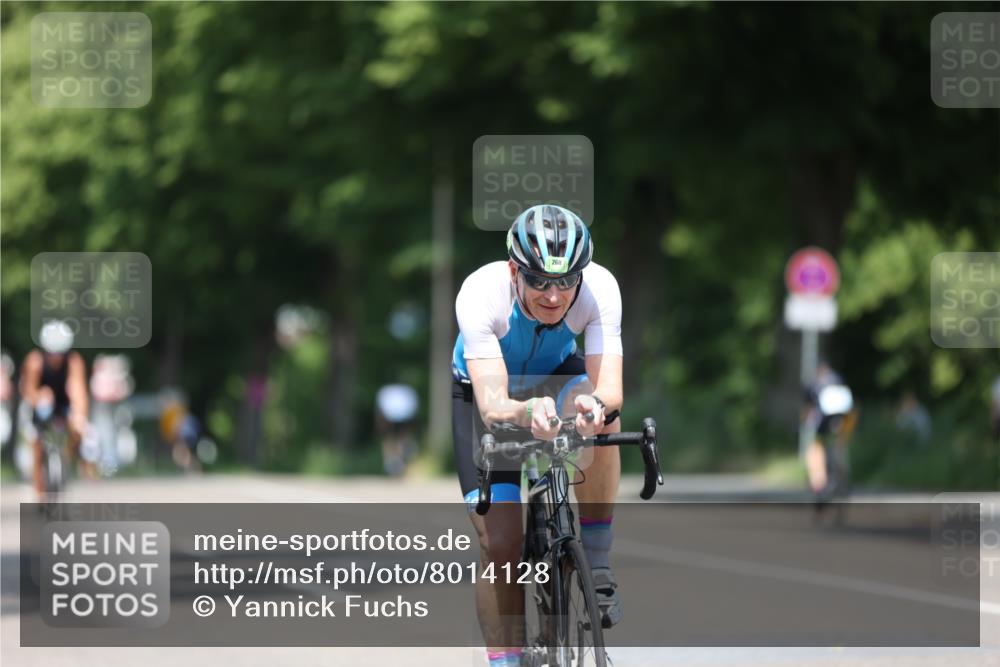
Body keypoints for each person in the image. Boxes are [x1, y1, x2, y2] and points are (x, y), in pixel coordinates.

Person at [452, 204, 624, 666]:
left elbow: (609, 389)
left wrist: (594, 408)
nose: (554, 295)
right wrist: (528, 411)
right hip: (486, 394)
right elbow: (494, 405)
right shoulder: (481, 293)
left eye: (566, 281)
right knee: (500, 545)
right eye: (539, 281)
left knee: (605, 419)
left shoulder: (601, 288)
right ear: (514, 271)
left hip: (556, 376)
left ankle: (597, 559)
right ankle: (506, 661)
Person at [19, 320, 92, 499]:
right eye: (53, 353)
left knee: (78, 431)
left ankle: (65, 460)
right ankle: (39, 493)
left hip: (63, 403)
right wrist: (40, 396)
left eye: (61, 353)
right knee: (36, 445)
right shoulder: (35, 361)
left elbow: (78, 391)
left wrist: (80, 416)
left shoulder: (73, 361)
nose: (57, 357)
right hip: (40, 403)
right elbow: (28, 391)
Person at [803, 361, 855, 499]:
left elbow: (809, 411)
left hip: (823, 422)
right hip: (842, 419)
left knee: (817, 447)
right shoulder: (838, 380)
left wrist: (808, 423)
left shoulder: (814, 384)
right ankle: (842, 476)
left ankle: (819, 481)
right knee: (839, 446)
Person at [375, 383, 419, 477]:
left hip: (392, 418)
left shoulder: (386, 392)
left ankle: (393, 461)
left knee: (390, 440)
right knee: (399, 438)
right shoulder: (406, 392)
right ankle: (398, 460)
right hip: (402, 417)